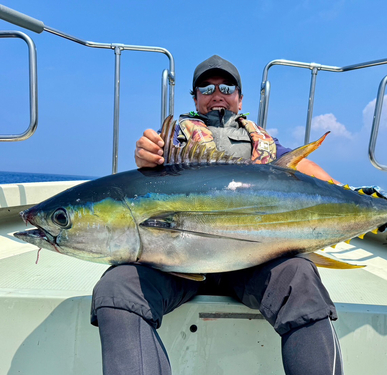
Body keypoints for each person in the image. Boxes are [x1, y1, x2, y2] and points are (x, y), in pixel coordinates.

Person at [91, 55, 344, 375]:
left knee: (301, 277)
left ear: (239, 97)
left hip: (254, 261)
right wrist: (146, 155)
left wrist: (365, 200)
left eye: (226, 86)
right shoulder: (172, 141)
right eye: (206, 87)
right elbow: (147, 157)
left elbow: (305, 171)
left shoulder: (265, 143)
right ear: (195, 97)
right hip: (173, 264)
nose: (217, 93)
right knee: (117, 286)